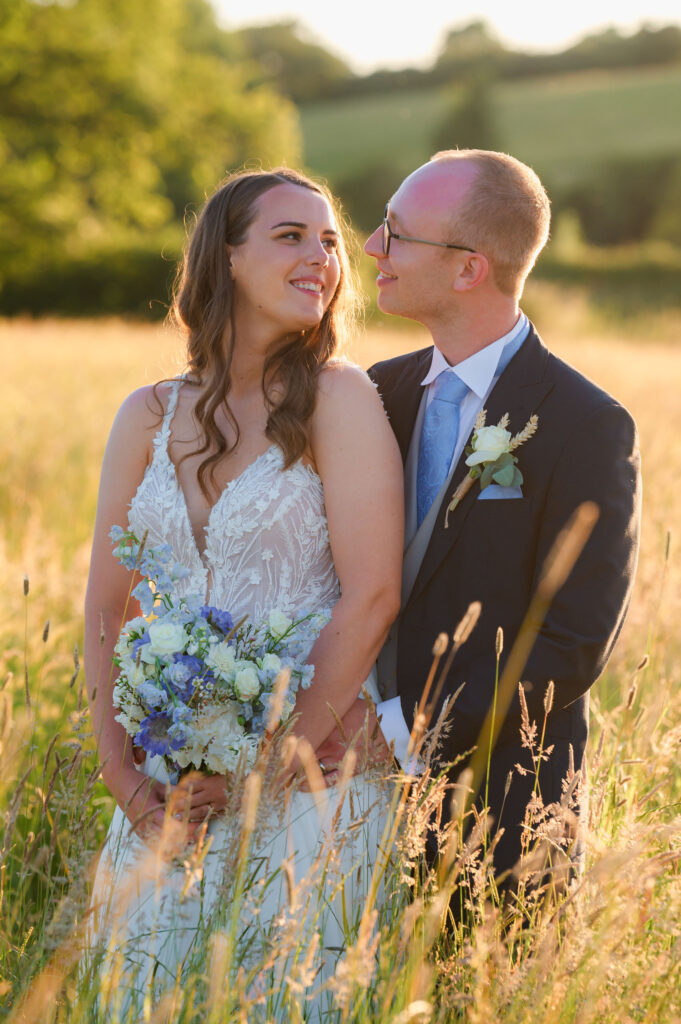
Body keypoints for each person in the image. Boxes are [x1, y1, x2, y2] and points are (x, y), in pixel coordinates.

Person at [83, 168, 403, 1016]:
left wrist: (265, 769)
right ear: (224, 258)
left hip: (307, 779)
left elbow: (371, 597)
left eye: (330, 241)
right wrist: (124, 776)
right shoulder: (146, 414)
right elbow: (107, 608)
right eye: (291, 236)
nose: (322, 258)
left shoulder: (339, 397)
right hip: (167, 788)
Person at [317, 149, 641, 881]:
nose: (371, 248)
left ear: (468, 269)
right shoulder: (374, 394)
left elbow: (571, 642)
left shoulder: (584, 423)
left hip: (498, 818)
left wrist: (400, 735)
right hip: (339, 801)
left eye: (396, 234)